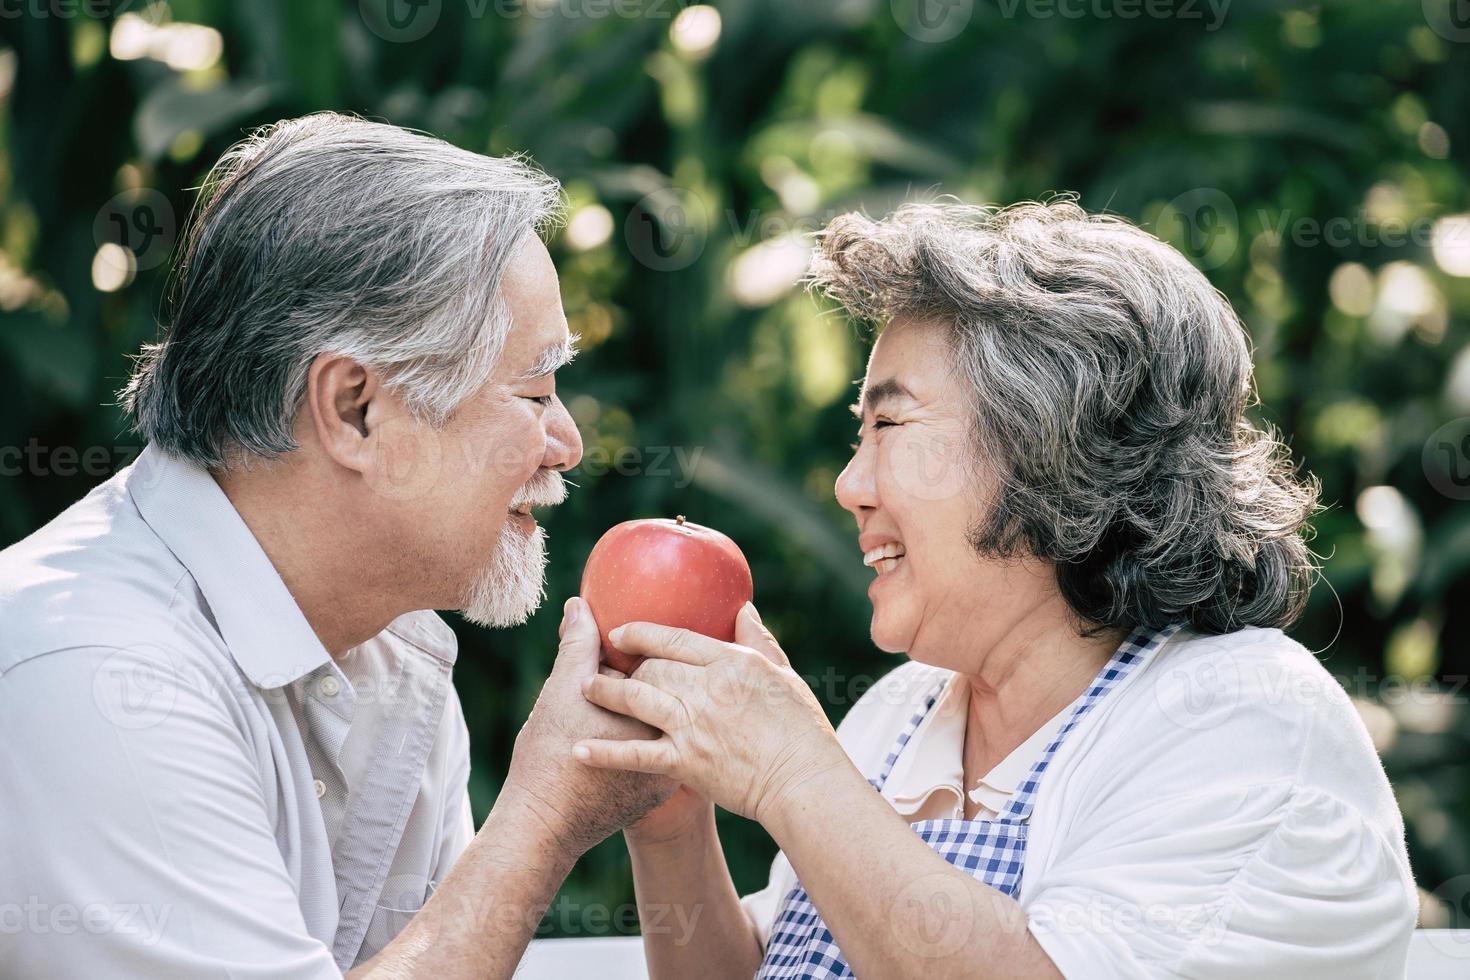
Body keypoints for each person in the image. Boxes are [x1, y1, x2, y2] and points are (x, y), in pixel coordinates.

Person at [576, 200, 1421, 978]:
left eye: (890, 425)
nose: (849, 485)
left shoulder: (1244, 718)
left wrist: (793, 774)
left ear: (1053, 449)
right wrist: (673, 820)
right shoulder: (901, 717)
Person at [0, 113, 673, 978]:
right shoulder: (98, 678)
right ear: (355, 408)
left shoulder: (392, 649)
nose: (568, 443)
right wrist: (545, 818)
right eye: (536, 391)